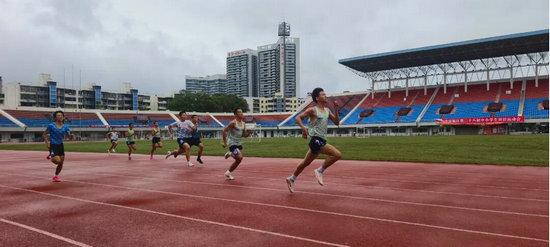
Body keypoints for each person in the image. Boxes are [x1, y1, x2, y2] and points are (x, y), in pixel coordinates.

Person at [285, 88, 342, 193]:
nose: (325, 96)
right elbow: (298, 118)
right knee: (337, 154)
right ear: (317, 98)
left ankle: (291, 178)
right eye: (323, 94)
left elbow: (337, 123)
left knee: (305, 163)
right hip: (315, 139)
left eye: (325, 94)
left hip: (321, 140)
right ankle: (319, 170)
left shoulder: (327, 110)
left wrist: (336, 109)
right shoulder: (312, 110)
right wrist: (304, 129)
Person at [221, 108, 253, 180]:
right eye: (239, 112)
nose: (242, 113)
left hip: (238, 143)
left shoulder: (243, 123)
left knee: (238, 160)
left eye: (242, 112)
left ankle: (228, 173)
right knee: (240, 157)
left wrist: (249, 132)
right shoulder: (233, 123)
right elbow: (224, 131)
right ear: (235, 114)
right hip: (232, 143)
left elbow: (244, 135)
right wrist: (224, 142)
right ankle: (231, 153)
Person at [43, 110, 74, 182]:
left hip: (60, 145)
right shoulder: (51, 126)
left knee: (61, 162)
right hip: (53, 145)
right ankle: (51, 155)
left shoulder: (66, 127)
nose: (60, 117)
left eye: (61, 115)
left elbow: (69, 137)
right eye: (58, 115)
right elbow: (44, 134)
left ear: (63, 117)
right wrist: (47, 143)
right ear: (55, 117)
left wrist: (71, 136)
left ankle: (56, 176)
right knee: (57, 161)